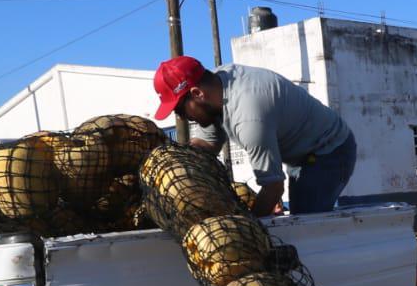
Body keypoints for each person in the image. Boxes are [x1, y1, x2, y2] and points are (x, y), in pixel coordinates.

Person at [152, 55, 357, 216]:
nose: (183, 118)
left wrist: (246, 227)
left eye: (180, 110)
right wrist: (175, 161)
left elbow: (273, 188)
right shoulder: (215, 86)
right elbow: (209, 143)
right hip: (300, 153)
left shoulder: (248, 117)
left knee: (306, 226)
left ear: (197, 94)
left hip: (329, 152)